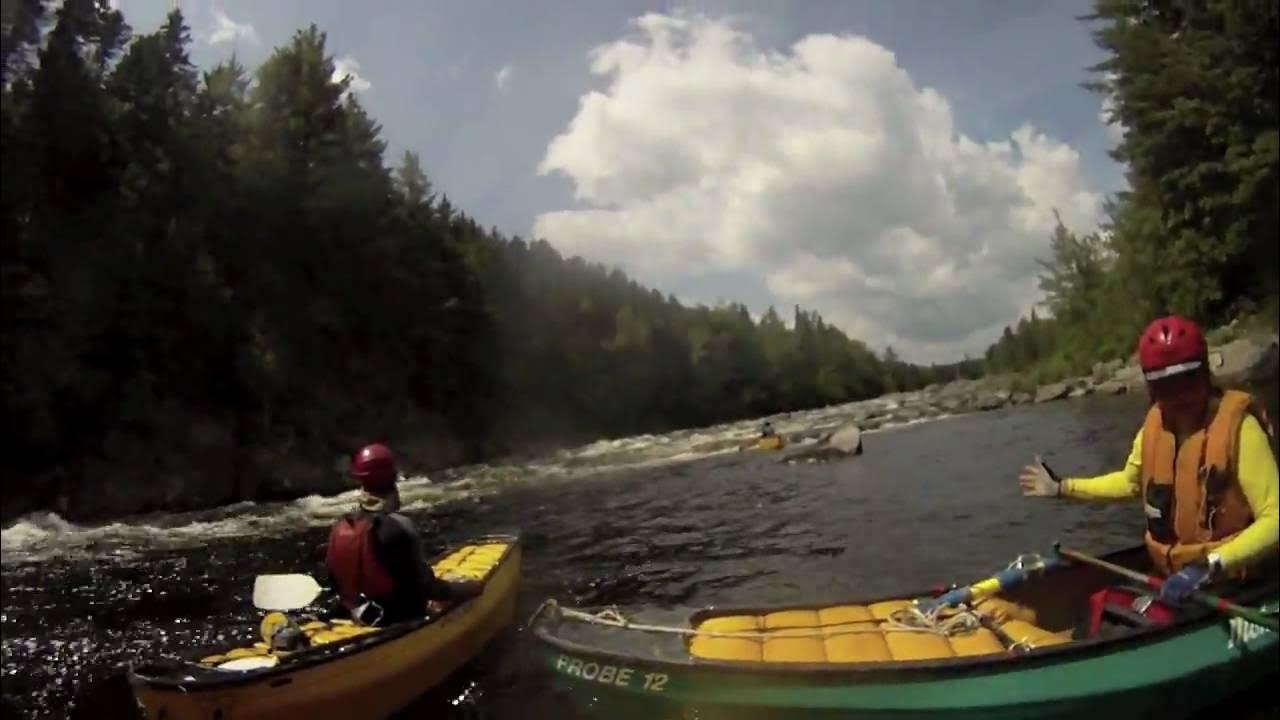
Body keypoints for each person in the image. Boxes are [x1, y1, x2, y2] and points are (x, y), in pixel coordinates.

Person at [1019, 315, 1279, 607]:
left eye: (1187, 381)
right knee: (1106, 608)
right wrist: (1062, 487)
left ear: (1205, 374)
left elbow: (1275, 519)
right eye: (1165, 387)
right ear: (1152, 388)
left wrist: (1211, 564)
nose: (1178, 396)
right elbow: (1130, 482)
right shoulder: (1155, 428)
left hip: (1234, 581)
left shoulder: (1240, 428)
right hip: (1176, 577)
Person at [324, 443, 482, 626]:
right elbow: (426, 588)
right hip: (396, 618)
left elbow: (335, 582)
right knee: (471, 589)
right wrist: (466, 588)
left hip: (356, 614)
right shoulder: (398, 527)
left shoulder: (341, 526)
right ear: (393, 478)